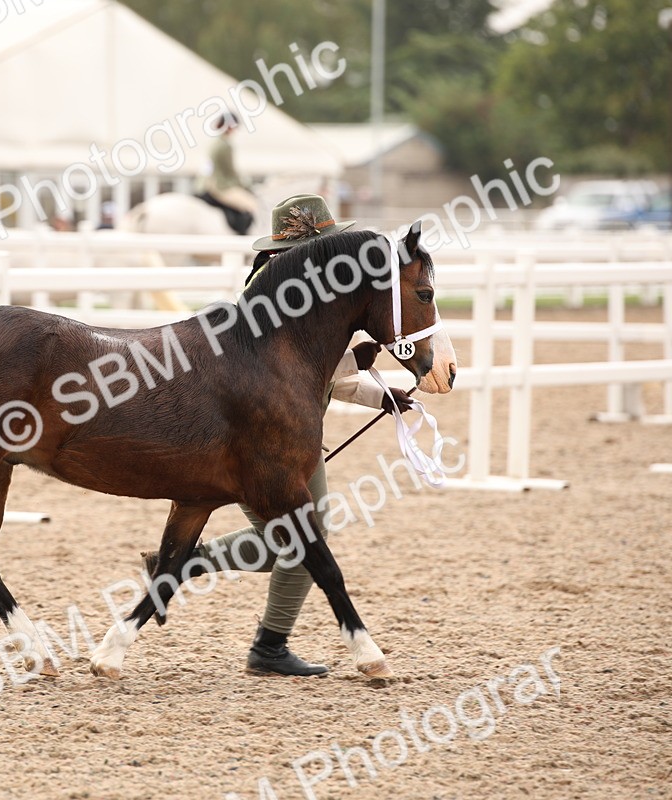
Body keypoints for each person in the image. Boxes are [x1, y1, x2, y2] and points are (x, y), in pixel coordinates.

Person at [143, 194, 412, 676]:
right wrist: (364, 373)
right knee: (302, 538)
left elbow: (314, 374)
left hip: (287, 432)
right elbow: (284, 377)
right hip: (267, 437)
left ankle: (201, 579)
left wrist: (380, 395)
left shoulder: (290, 293)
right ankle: (258, 636)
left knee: (295, 540)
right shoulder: (277, 298)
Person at [195, 113, 256, 235]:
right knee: (251, 204)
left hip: (207, 183)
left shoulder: (215, 142)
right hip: (220, 186)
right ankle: (243, 234)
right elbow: (230, 172)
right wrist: (246, 186)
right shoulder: (225, 146)